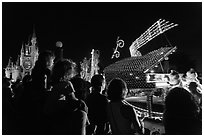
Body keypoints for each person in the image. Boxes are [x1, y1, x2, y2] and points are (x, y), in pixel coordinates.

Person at [44, 59, 89, 135]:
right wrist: (83, 104)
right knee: (82, 112)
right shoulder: (67, 84)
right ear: (67, 72)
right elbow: (73, 100)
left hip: (49, 112)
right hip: (57, 114)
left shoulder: (52, 84)